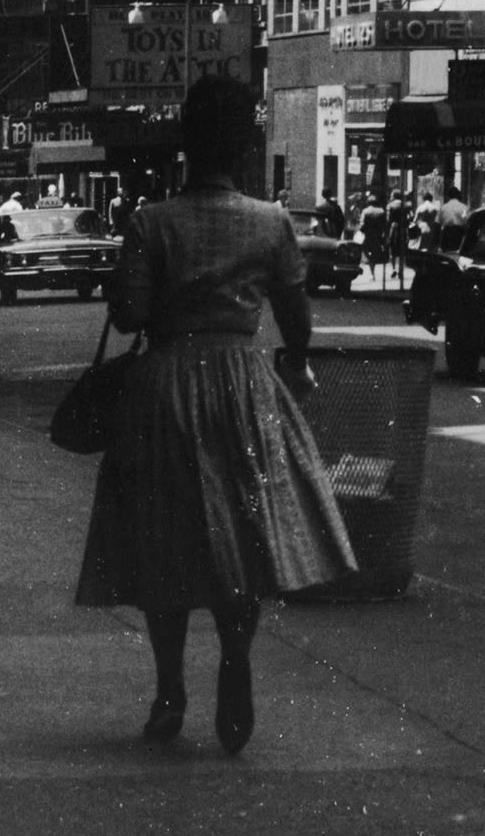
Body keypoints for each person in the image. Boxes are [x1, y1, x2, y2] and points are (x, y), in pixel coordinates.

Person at [74, 74, 357, 754]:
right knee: (243, 535)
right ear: (243, 147)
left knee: (164, 540)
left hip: (164, 390)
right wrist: (289, 360)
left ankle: (170, 688)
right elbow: (298, 324)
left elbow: (131, 314)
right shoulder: (271, 221)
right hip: (242, 387)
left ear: (187, 144)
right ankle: (235, 663)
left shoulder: (151, 221)